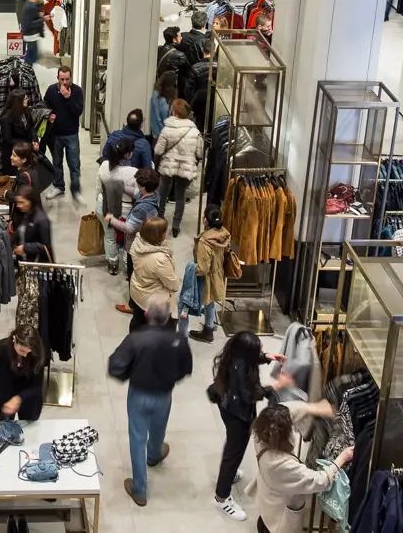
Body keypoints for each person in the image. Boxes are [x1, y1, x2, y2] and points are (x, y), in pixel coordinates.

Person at [108, 294, 193, 506]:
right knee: (159, 426)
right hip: (164, 393)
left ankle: (139, 489)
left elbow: (115, 366)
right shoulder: (178, 340)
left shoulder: (136, 338)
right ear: (168, 317)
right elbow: (186, 368)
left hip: (138, 394)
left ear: (146, 314)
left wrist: (128, 373)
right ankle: (154, 453)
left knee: (137, 437)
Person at [209, 330, 287, 519]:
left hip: (227, 404)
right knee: (234, 450)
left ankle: (230, 473)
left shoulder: (233, 354)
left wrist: (266, 357)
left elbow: (248, 360)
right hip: (236, 412)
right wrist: (275, 387)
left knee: (234, 446)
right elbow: (252, 393)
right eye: (257, 351)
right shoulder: (240, 372)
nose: (260, 351)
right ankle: (222, 497)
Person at [250, 402, 352, 533]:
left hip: (268, 500)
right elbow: (320, 480)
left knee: (265, 520)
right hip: (279, 519)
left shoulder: (261, 434)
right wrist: (340, 459)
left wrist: (313, 408)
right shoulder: (280, 465)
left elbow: (285, 410)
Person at [0, 324, 47, 441]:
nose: (25, 355)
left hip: (28, 395)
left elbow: (37, 386)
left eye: (28, 352)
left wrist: (18, 398)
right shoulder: (1, 349)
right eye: (22, 351)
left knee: (29, 434)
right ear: (14, 339)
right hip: (3, 389)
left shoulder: (36, 352)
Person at [155, 99, 204, 236]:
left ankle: (160, 218)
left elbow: (158, 151)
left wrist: (156, 167)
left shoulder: (167, 129)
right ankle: (176, 226)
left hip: (167, 166)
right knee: (180, 196)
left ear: (174, 112)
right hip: (185, 167)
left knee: (163, 192)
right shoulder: (195, 132)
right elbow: (199, 153)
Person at [96, 139, 139, 275]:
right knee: (128, 239)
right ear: (127, 154)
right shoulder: (133, 172)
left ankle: (112, 264)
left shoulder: (103, 166)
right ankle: (128, 266)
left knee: (109, 236)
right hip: (125, 210)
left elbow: (98, 188)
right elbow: (138, 194)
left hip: (105, 205)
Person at [190, 206, 232, 343]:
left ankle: (208, 330)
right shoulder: (223, 234)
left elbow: (203, 268)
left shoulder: (205, 241)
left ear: (205, 221)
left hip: (208, 276)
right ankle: (211, 323)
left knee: (207, 300)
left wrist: (191, 271)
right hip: (218, 271)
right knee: (211, 299)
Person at [126, 217, 178, 328]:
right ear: (157, 235)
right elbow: (172, 283)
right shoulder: (160, 259)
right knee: (158, 330)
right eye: (164, 231)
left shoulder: (137, 243)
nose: (166, 234)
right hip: (155, 301)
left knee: (138, 320)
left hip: (138, 292)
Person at [43, 64, 86, 198]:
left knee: (74, 164)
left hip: (71, 134)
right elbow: (44, 106)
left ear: (71, 78)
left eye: (67, 79)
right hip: (56, 134)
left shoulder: (77, 91)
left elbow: (78, 112)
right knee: (57, 162)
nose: (65, 82)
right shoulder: (51, 90)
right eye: (62, 79)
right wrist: (48, 115)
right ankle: (58, 186)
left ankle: (76, 189)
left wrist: (68, 98)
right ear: (58, 78)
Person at [0, 89, 36, 174]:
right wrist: (27, 144)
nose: (27, 100)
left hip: (26, 153)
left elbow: (32, 128)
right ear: (19, 102)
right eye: (25, 99)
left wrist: (35, 140)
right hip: (14, 154)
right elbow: (8, 139)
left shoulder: (27, 112)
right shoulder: (6, 118)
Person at [9, 185, 52, 262]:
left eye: (22, 202)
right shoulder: (27, 213)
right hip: (26, 259)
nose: (19, 205)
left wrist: (25, 248)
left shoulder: (42, 219)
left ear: (30, 201)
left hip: (37, 264)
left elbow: (45, 246)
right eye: (18, 202)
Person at [157, 26, 190, 99]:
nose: (181, 38)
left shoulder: (158, 50)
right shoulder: (180, 55)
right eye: (180, 36)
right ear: (174, 40)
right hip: (173, 87)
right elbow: (188, 71)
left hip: (160, 84)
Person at [20, 0, 46, 64]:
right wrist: (43, 19)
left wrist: (40, 14)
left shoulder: (32, 3)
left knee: (33, 55)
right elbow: (28, 24)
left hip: (33, 34)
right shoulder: (30, 6)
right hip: (30, 35)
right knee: (31, 57)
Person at [149, 71, 177, 137]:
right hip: (162, 135)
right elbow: (162, 119)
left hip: (159, 134)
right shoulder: (161, 99)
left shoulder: (156, 94)